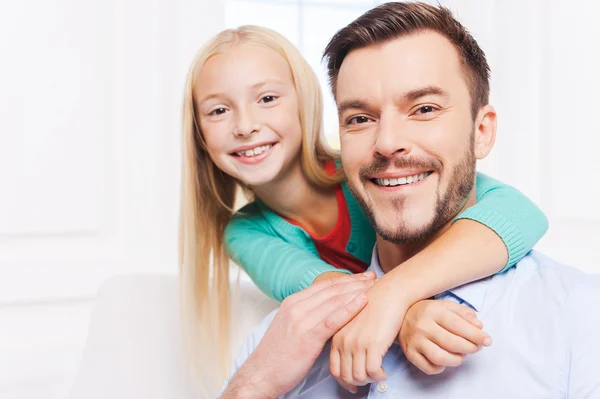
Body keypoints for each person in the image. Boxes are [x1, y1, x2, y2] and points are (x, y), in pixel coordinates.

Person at [219, 2, 600, 398]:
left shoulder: (580, 318)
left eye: (424, 109)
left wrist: (394, 295)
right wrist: (253, 386)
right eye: (359, 119)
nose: (386, 143)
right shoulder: (275, 347)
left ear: (481, 132)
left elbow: (518, 212)